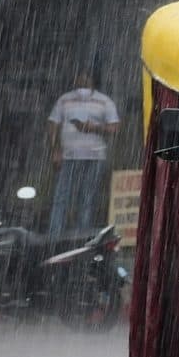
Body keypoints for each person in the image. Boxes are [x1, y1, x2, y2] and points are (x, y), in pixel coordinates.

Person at [46, 65, 120, 236]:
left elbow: (115, 128)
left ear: (92, 80)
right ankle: (54, 237)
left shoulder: (104, 101)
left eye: (84, 77)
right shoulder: (64, 99)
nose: (80, 80)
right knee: (61, 198)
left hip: (94, 157)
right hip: (68, 156)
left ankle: (81, 237)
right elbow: (52, 124)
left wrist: (94, 128)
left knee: (86, 199)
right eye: (78, 76)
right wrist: (55, 150)